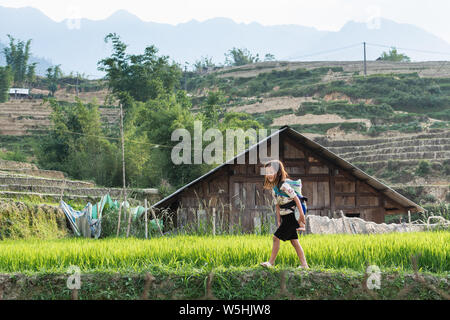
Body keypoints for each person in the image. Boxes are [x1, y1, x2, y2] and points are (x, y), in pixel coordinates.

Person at [260, 159, 309, 269]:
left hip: (291, 216)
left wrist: (301, 215)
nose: (269, 175)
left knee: (275, 238)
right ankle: (304, 265)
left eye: (271, 172)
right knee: (294, 242)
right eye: (267, 172)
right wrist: (278, 220)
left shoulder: (284, 186)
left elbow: (296, 199)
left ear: (278, 172)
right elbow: (277, 206)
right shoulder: (274, 189)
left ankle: (271, 263)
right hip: (285, 217)